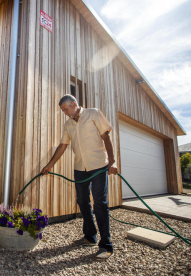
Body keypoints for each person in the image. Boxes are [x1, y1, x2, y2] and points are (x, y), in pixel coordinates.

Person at [41, 94, 118, 260]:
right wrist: (50, 164)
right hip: (80, 167)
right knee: (82, 201)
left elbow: (106, 136)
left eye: (66, 109)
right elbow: (63, 146)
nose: (65, 113)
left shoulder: (93, 113)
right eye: (63, 111)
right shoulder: (68, 124)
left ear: (74, 104)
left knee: (100, 203)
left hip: (98, 165)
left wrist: (112, 162)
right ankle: (90, 236)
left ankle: (106, 245)